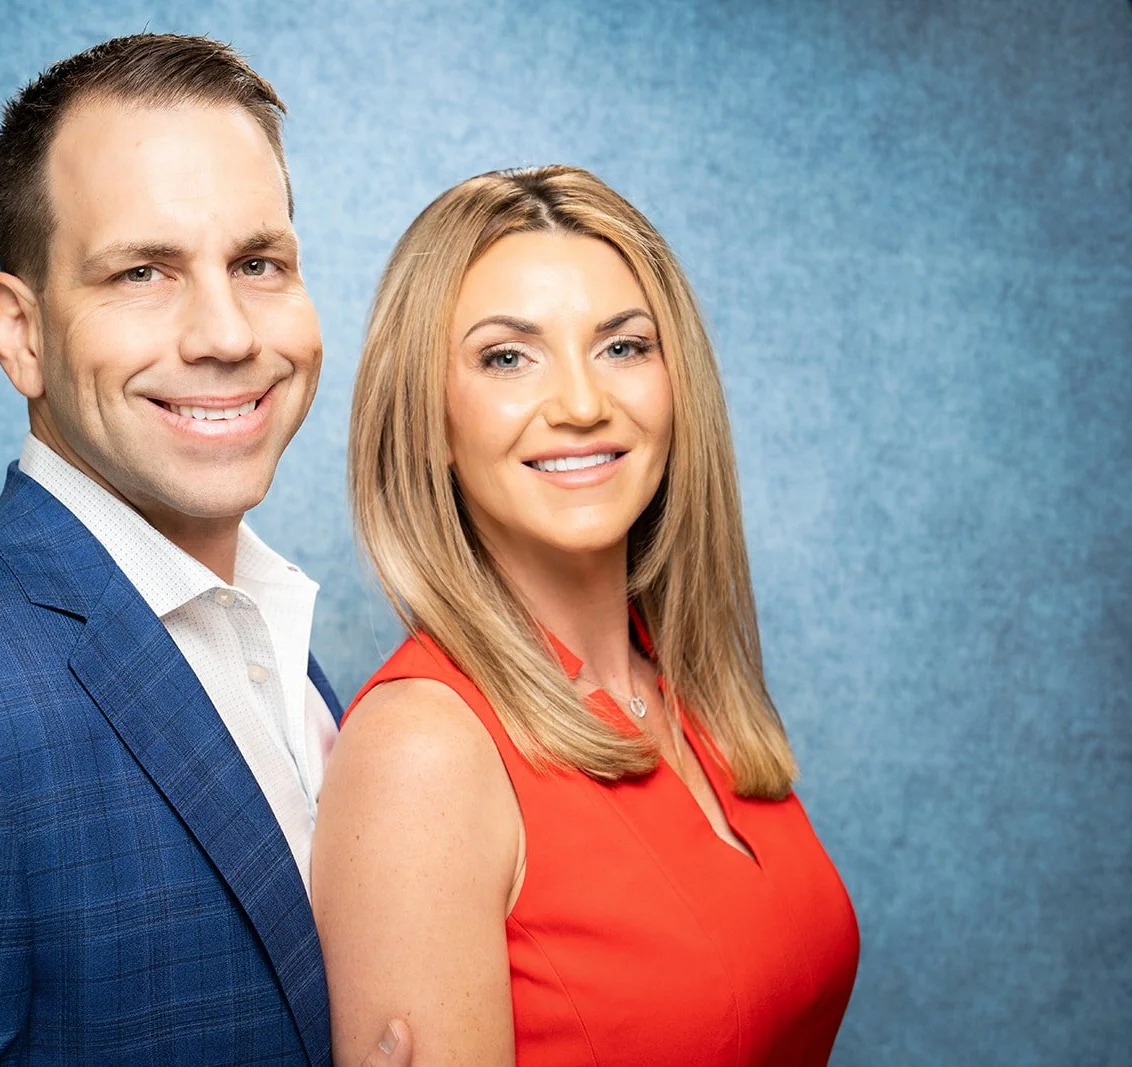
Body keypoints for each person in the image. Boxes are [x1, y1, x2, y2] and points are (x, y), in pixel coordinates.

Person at [0, 34, 410, 1066]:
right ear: (21, 332)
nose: (225, 333)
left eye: (258, 263)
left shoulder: (274, 639)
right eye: (142, 272)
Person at [313, 165, 860, 1065]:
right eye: (507, 356)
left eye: (622, 347)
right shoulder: (426, 752)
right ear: (430, 421)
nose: (579, 404)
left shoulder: (688, 687)